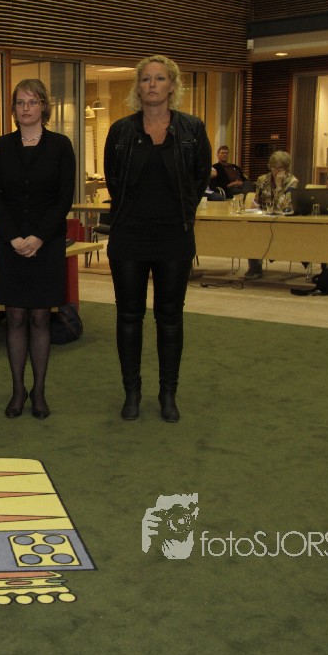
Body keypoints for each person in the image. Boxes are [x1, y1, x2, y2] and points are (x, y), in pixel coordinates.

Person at [104, 55, 211, 423]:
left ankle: (168, 394)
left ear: (172, 86)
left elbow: (199, 179)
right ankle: (132, 392)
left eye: (160, 78)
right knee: (128, 317)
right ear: (138, 87)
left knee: (170, 318)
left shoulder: (192, 129)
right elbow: (114, 181)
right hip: (129, 237)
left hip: (173, 238)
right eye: (146, 79)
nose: (152, 84)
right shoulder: (120, 131)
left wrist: (181, 215)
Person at [0, 78, 75, 420]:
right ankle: (17, 390)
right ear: (13, 109)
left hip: (46, 244)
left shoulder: (61, 146)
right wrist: (13, 237)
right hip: (9, 243)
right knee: (15, 317)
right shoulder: (0, 146)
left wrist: (38, 237)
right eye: (20, 102)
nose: (26, 108)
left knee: (39, 317)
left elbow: (63, 199)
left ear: (43, 107)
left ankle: (38, 391)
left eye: (32, 102)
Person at [244, 150, 299, 280]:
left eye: (280, 168)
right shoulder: (262, 179)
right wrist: (254, 207)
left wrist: (279, 186)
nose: (276, 171)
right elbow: (257, 200)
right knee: (252, 230)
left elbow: (283, 205)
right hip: (264, 217)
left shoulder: (292, 181)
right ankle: (255, 267)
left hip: (283, 219)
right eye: (273, 167)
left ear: (286, 168)